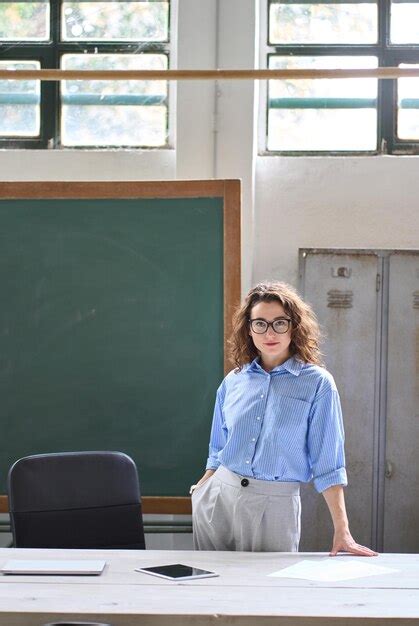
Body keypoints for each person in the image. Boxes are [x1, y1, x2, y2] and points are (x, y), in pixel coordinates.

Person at [191, 281, 378, 556]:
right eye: (260, 323)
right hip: (218, 498)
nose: (270, 332)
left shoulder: (318, 384)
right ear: (249, 329)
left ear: (295, 327)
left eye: (280, 322)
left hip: (274, 504)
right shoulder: (234, 381)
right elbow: (217, 449)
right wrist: (202, 489)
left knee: (268, 594)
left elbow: (328, 461)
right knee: (211, 590)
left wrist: (342, 530)